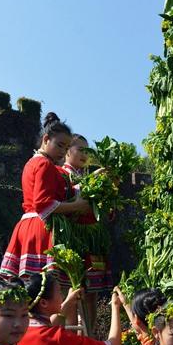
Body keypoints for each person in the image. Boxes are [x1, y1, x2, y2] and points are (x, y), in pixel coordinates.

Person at [0, 113, 90, 279]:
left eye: (66, 148)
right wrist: (77, 205)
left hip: (27, 226)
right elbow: (44, 204)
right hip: (40, 227)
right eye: (60, 145)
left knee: (31, 290)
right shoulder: (44, 164)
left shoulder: (33, 162)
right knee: (47, 289)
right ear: (46, 139)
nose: (63, 152)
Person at [60, 135, 112, 330]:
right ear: (67, 151)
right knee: (73, 291)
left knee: (93, 293)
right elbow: (64, 197)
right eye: (79, 149)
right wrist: (91, 181)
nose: (84, 154)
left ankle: (91, 337)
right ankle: (73, 340)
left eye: (87, 151)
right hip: (75, 238)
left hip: (93, 240)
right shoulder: (62, 174)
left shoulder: (87, 175)